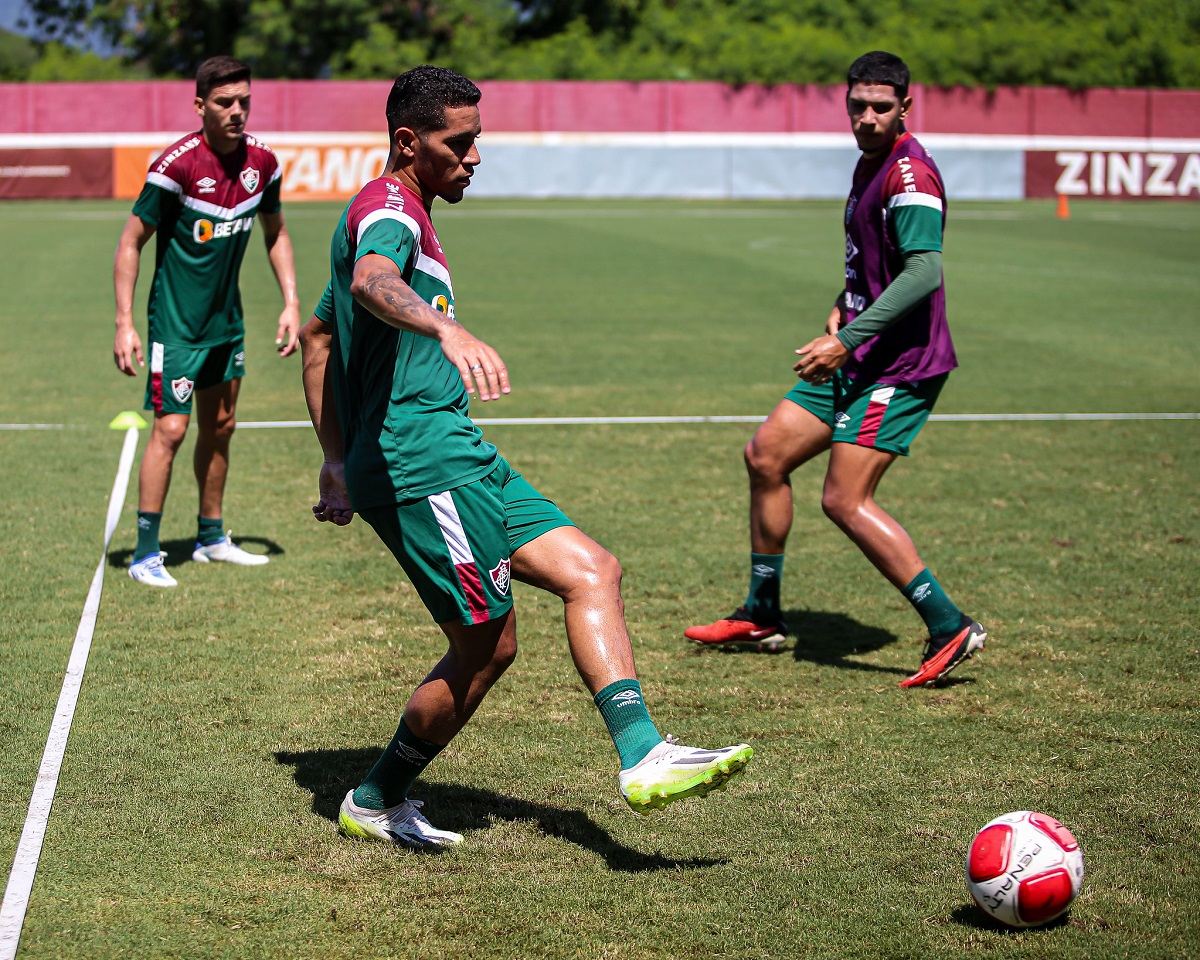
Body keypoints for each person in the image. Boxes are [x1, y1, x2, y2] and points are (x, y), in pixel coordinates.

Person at [299, 65, 753, 848]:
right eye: (460, 142)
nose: (476, 156)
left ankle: (644, 754)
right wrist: (442, 328)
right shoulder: (387, 211)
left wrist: (336, 459)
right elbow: (373, 279)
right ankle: (373, 798)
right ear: (408, 141)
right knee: (487, 643)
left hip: (459, 452)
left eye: (479, 140)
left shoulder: (406, 210)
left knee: (593, 571)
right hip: (422, 465)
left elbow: (316, 337)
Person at [685, 51, 986, 689]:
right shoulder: (868, 161)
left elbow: (924, 270)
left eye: (882, 107)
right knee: (766, 455)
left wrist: (848, 338)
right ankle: (762, 615)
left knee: (843, 498)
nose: (868, 118)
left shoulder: (909, 174)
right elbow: (873, 262)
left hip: (900, 364)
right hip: (859, 350)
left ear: (907, 105)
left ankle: (949, 623)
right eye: (858, 106)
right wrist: (841, 306)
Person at [113, 56, 301, 588]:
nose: (237, 111)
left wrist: (290, 301)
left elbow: (277, 233)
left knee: (221, 427)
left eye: (244, 100)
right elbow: (130, 243)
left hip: (227, 326)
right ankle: (146, 553)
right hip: (175, 327)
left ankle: (211, 537)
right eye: (224, 102)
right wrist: (125, 322)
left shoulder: (263, 163)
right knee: (171, 430)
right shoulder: (175, 166)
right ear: (200, 106)